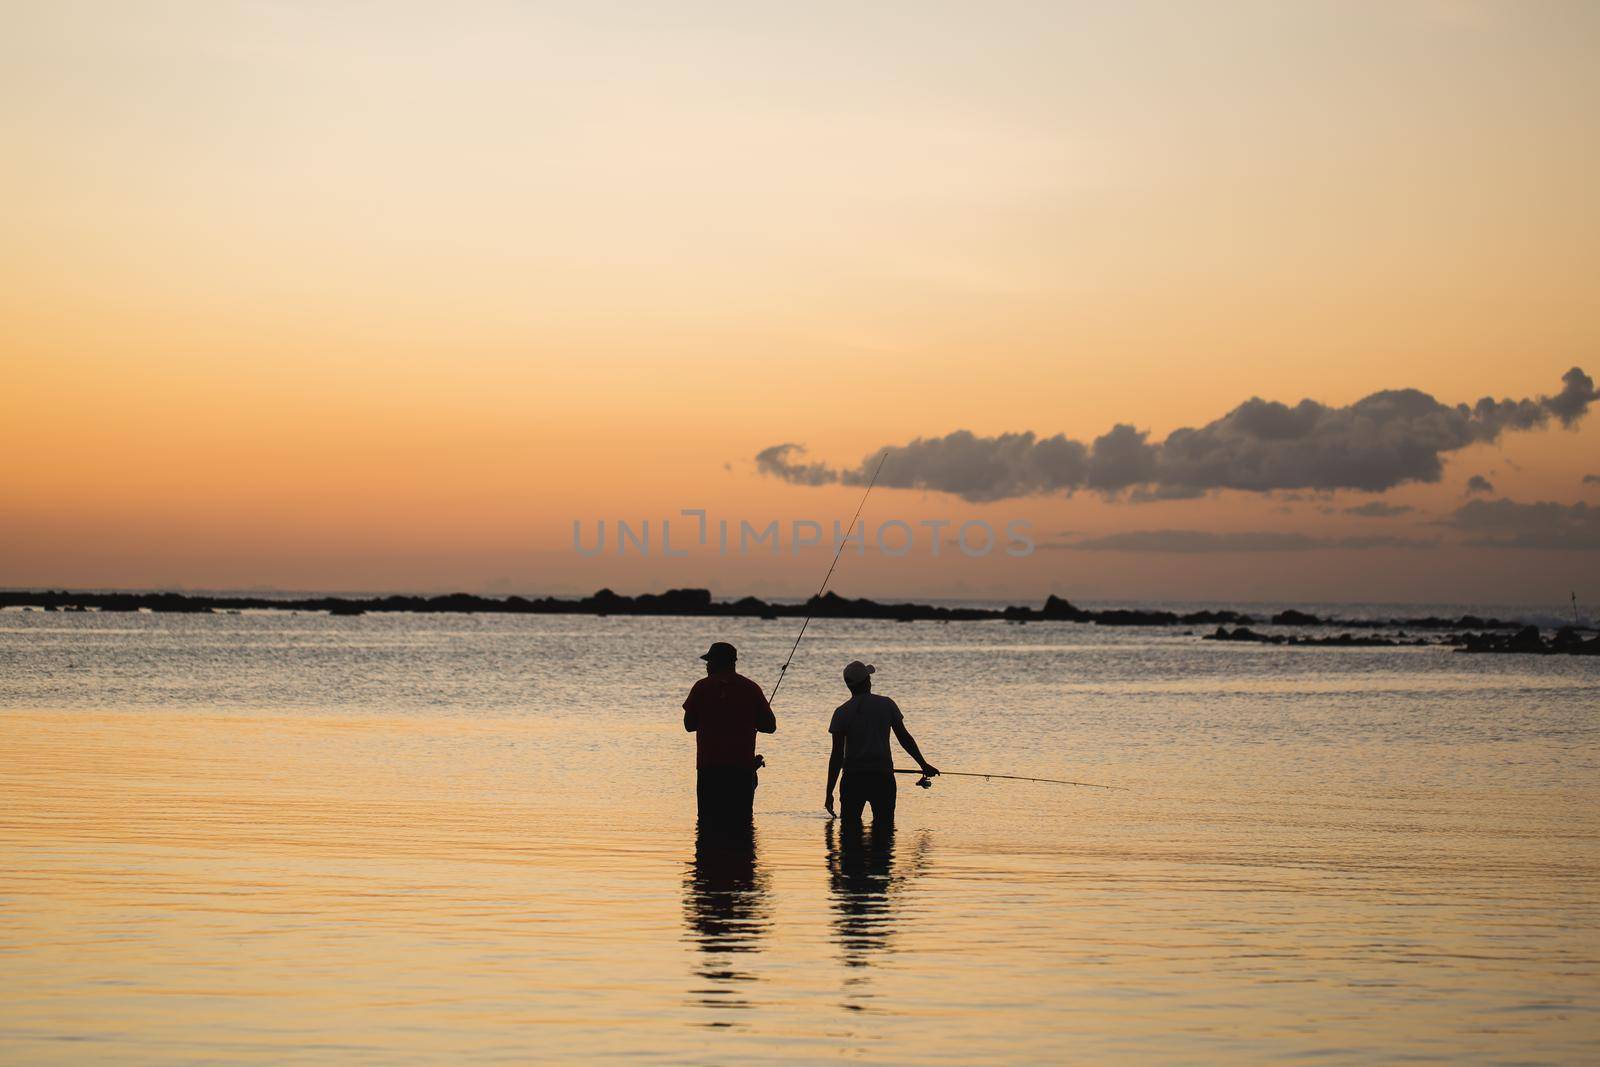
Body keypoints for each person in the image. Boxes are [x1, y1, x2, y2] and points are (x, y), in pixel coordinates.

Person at [825, 660, 937, 826]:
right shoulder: (886, 704)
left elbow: (836, 756)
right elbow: (904, 738)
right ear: (867, 682)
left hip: (853, 780)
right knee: (885, 831)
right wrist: (923, 764)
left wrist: (829, 793)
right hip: (882, 778)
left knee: (849, 835)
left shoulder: (841, 712)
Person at [682, 641, 776, 823]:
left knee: (708, 823)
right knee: (741, 823)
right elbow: (770, 726)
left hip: (709, 769)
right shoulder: (751, 688)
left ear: (718, 662)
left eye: (709, 661)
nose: (707, 666)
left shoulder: (701, 687)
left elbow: (688, 725)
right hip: (741, 770)